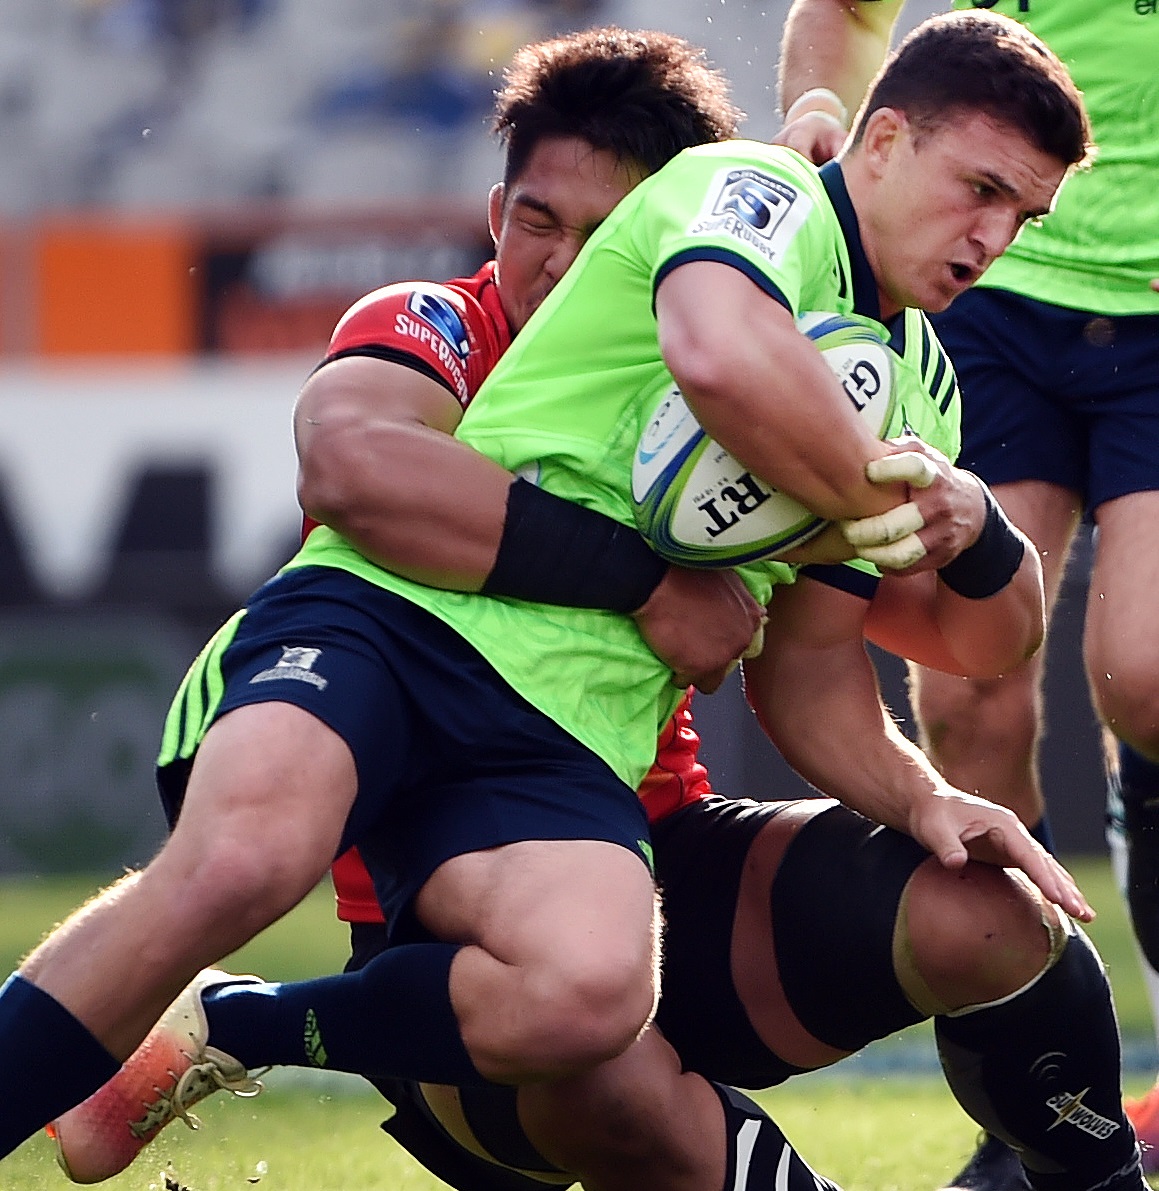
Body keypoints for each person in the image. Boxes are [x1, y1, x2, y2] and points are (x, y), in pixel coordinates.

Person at [1, 14, 1093, 1191]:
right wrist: (848, 509)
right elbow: (690, 362)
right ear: (878, 142)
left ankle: (242, 1024)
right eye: (978, 188)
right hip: (389, 631)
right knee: (241, 862)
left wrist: (935, 752)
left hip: (571, 745)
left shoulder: (913, 383)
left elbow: (844, 662)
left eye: (1020, 216)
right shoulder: (743, 203)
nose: (992, 236)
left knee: (591, 999)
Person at [776, 0, 1159, 1186]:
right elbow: (842, 12)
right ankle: (1039, 1100)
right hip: (995, 304)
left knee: (1144, 676)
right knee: (967, 706)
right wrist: (817, 116)